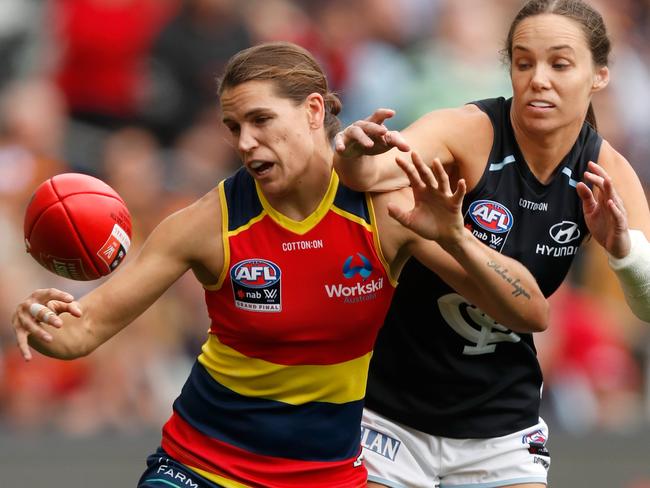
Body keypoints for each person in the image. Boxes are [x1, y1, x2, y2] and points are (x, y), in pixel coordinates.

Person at [10, 42, 548, 488]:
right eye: (233, 126)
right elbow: (83, 332)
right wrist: (38, 317)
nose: (245, 143)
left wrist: (455, 238)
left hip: (328, 473)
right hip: (203, 465)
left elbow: (530, 312)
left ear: (315, 111)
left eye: (261, 120)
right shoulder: (207, 224)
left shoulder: (387, 209)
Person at [333, 1, 650, 487]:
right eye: (524, 63)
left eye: (559, 64)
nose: (538, 79)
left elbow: (647, 303)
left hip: (502, 425)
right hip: (393, 414)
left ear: (599, 76)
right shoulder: (470, 131)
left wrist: (623, 253)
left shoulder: (607, 173)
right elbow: (376, 173)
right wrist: (355, 156)